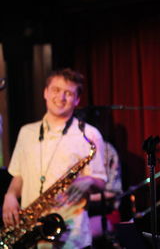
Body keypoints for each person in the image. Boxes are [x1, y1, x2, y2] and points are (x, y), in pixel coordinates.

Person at [2, 68, 107, 248]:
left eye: (68, 93)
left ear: (77, 100)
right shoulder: (27, 132)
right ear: (45, 92)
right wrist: (10, 195)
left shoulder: (89, 135)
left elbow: (101, 182)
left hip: (71, 235)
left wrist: (88, 180)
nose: (61, 97)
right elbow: (19, 175)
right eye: (56, 90)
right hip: (29, 233)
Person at [89, 141, 122, 244]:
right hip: (78, 212)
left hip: (104, 212)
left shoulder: (106, 150)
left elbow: (113, 192)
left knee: (76, 236)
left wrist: (83, 198)